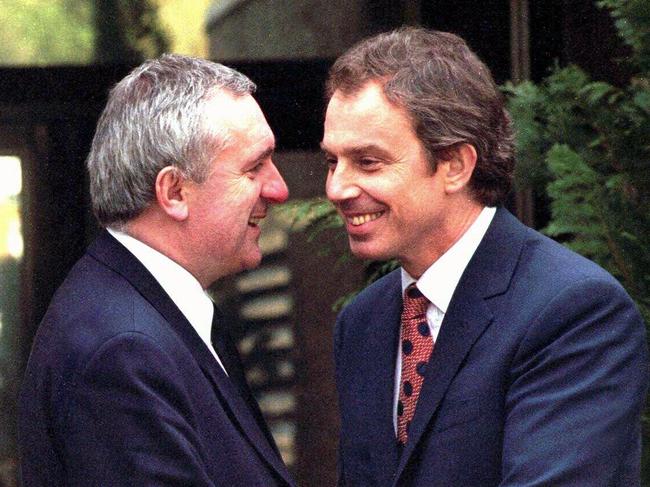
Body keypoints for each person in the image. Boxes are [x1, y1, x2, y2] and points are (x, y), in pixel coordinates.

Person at [322, 28, 649, 486]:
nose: (337, 188)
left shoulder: (572, 311)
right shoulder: (363, 323)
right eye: (332, 162)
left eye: (368, 162)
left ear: (455, 165)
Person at [19, 54, 295, 486]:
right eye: (254, 167)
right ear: (174, 191)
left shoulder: (139, 318)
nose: (278, 189)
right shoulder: (123, 352)